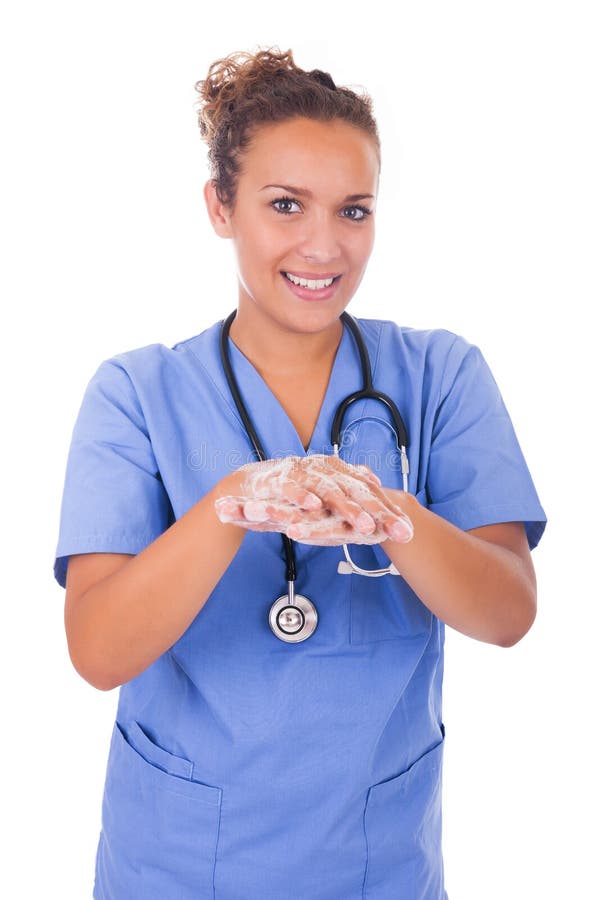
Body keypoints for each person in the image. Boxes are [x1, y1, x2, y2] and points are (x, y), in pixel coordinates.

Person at [53, 46, 547, 900]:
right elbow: (97, 651)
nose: (325, 246)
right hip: (178, 864)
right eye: (285, 205)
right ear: (220, 206)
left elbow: (509, 612)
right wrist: (230, 505)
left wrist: (395, 519)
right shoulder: (136, 392)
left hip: (375, 859)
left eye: (353, 210)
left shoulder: (441, 376)